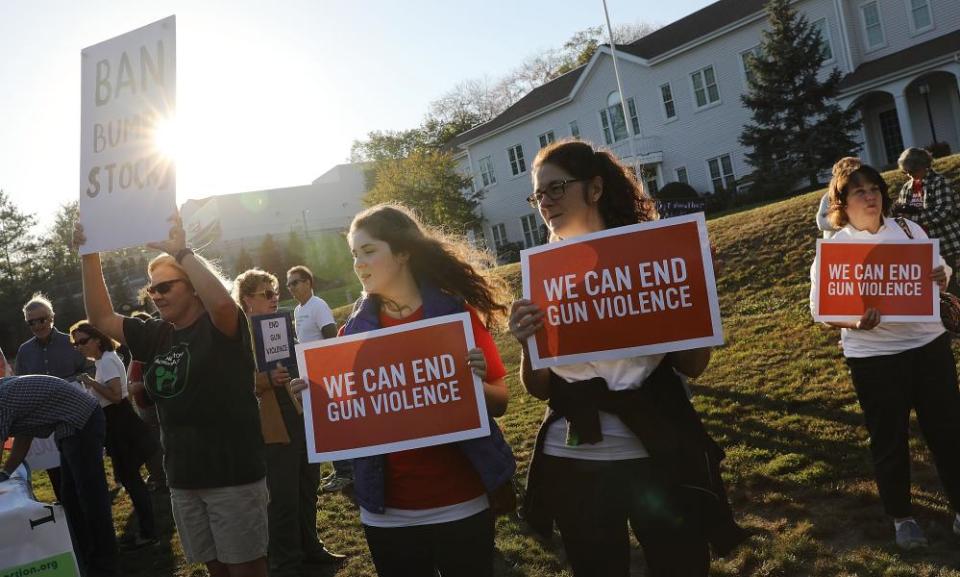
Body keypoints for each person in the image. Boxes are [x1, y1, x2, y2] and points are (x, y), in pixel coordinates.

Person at [509, 139, 744, 577]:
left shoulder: (654, 260)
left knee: (681, 565)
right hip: (576, 459)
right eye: (538, 194)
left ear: (594, 189)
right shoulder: (542, 275)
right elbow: (540, 388)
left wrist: (697, 303)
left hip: (658, 452)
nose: (545, 203)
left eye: (556, 189)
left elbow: (692, 366)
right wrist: (527, 344)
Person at [77, 216, 268, 577]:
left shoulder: (218, 326)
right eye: (152, 290)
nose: (157, 295)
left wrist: (181, 251)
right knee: (217, 571)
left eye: (165, 287)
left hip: (232, 476)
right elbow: (101, 317)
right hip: (184, 478)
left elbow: (225, 306)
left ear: (193, 286)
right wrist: (89, 252)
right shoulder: (156, 334)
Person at [341, 204, 515, 577]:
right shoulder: (350, 336)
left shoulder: (457, 316)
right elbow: (349, 421)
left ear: (403, 252)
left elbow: (499, 401)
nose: (359, 263)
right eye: (354, 254)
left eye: (369, 251)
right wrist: (316, 402)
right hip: (387, 514)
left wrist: (475, 386)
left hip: (462, 503)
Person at [809, 159, 960, 549]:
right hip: (874, 357)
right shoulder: (835, 249)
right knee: (889, 438)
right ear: (842, 201)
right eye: (859, 191)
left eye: (874, 189)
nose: (870, 196)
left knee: (948, 432)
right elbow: (821, 311)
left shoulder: (908, 230)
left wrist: (943, 276)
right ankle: (903, 518)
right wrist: (856, 323)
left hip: (929, 347)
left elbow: (940, 271)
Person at [233, 268, 345, 576]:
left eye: (276, 292)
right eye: (266, 294)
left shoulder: (280, 325)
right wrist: (265, 380)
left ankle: (311, 548)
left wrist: (295, 382)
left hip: (296, 414)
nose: (275, 298)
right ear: (247, 300)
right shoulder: (236, 335)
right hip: (270, 424)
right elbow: (231, 383)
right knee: (281, 497)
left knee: (308, 486)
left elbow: (293, 368)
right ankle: (286, 561)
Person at [0, 374, 117, 577]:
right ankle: (85, 554)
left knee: (90, 498)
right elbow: (23, 438)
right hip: (72, 425)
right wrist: (5, 472)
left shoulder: (3, 400)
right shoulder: (8, 396)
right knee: (70, 499)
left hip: (81, 421)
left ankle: (104, 565)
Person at [70, 320, 158, 549]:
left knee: (132, 480)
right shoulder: (103, 361)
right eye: (75, 343)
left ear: (97, 339)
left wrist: (90, 383)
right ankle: (147, 529)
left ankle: (148, 532)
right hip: (119, 424)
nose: (79, 346)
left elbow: (116, 396)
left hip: (122, 425)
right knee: (131, 480)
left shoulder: (107, 360)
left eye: (82, 341)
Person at [16, 293, 94, 502]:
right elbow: (21, 384)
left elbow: (91, 369)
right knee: (57, 475)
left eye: (41, 320)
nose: (37, 325)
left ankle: (92, 507)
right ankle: (68, 512)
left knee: (83, 468)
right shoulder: (24, 351)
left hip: (75, 416)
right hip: (46, 426)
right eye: (31, 322)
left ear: (52, 318)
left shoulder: (71, 342)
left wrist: (68, 383)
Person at [285, 264, 350, 492]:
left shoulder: (318, 305)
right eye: (288, 284)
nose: (291, 288)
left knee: (334, 424)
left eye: (295, 282)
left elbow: (331, 338)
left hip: (325, 373)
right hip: (309, 375)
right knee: (324, 425)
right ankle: (339, 469)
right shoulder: (297, 310)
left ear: (308, 283)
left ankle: (346, 472)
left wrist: (327, 370)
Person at [896, 147, 960, 295]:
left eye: (912, 171)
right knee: (935, 290)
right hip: (924, 248)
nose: (909, 175)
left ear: (925, 166)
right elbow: (901, 216)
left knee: (951, 286)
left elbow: (941, 213)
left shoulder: (940, 182)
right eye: (906, 172)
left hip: (947, 243)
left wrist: (911, 218)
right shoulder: (907, 187)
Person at [126, 311, 166, 493]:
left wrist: (140, 386)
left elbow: (160, 378)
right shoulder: (135, 354)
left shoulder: (152, 351)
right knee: (152, 444)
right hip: (143, 406)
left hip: (152, 405)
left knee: (157, 444)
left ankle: (162, 479)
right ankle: (158, 476)